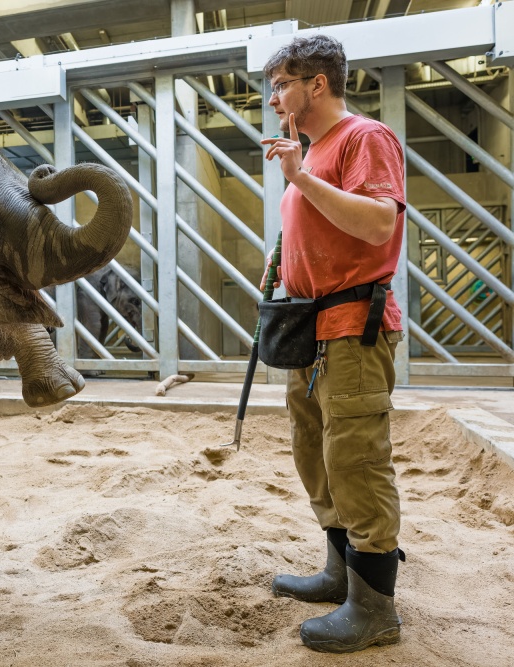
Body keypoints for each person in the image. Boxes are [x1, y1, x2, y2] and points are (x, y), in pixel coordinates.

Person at [258, 34, 407, 654]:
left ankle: (375, 608)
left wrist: (299, 177)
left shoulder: (363, 138)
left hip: (353, 328)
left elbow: (378, 224)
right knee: (315, 453)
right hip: (308, 331)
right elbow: (313, 230)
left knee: (356, 458)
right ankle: (339, 574)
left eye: (281, 85)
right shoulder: (312, 153)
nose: (272, 99)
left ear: (317, 84)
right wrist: (275, 272)